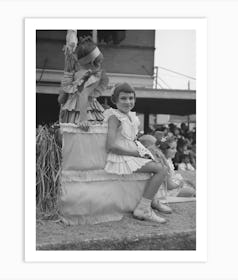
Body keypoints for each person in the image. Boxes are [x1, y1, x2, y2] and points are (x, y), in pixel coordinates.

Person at [104, 83, 168, 223]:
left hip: (132, 152)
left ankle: (153, 200)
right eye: (123, 98)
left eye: (131, 98)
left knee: (161, 162)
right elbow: (110, 145)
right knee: (160, 170)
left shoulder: (131, 116)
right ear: (115, 100)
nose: (128, 102)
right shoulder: (114, 117)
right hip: (121, 156)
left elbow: (132, 139)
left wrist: (145, 150)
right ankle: (143, 208)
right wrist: (137, 154)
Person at [58, 36, 109, 130]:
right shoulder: (93, 76)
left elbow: (61, 99)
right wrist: (83, 119)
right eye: (99, 62)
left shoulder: (73, 75)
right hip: (86, 114)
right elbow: (83, 95)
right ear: (94, 62)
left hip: (70, 114)